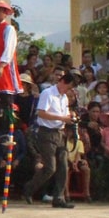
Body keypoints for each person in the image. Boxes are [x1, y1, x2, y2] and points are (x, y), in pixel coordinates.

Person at [22, 71, 77, 208]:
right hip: (46, 133)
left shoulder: (64, 97)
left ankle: (59, 197)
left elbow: (64, 114)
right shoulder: (48, 93)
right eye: (68, 87)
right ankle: (29, 188)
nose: (68, 91)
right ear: (63, 82)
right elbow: (41, 113)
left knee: (63, 166)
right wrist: (62, 118)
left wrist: (70, 118)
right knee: (50, 168)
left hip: (60, 132)